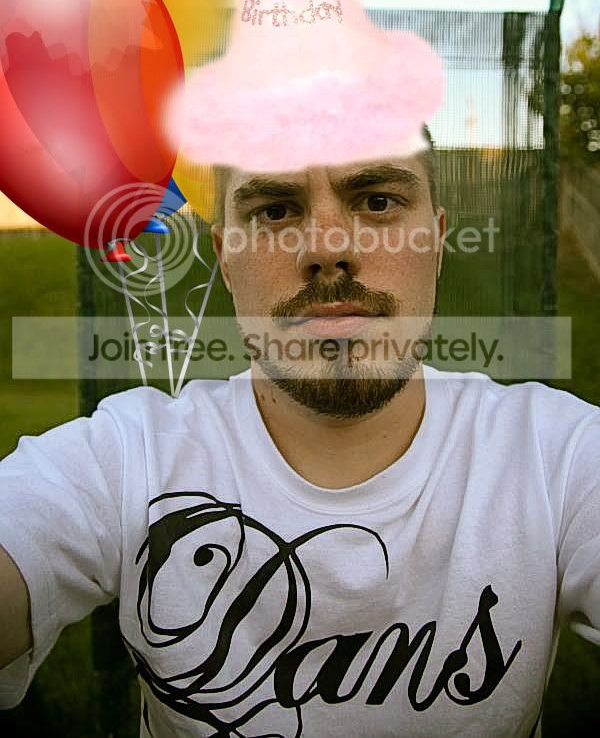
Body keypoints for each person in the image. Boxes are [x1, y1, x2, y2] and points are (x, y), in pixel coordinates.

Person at [1, 132, 599, 738]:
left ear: (437, 241)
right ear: (226, 260)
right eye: (275, 211)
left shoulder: (558, 458)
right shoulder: (129, 459)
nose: (327, 248)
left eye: (378, 201)